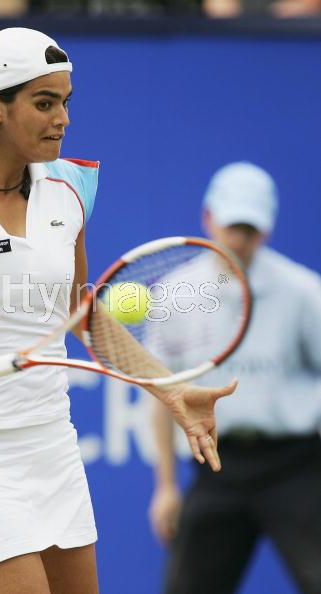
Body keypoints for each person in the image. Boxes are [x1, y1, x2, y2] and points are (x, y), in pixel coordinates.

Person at [0, 27, 235, 594]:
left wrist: (169, 389)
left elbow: (78, 310)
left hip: (50, 446)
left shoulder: (67, 191)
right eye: (44, 103)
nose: (63, 117)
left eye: (65, 101)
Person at [149, 162, 321, 594]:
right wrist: (166, 488)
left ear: (267, 229)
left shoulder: (304, 292)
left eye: (251, 229)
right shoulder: (173, 294)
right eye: (232, 225)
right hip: (217, 469)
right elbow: (160, 394)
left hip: (298, 468)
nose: (240, 240)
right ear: (209, 218)